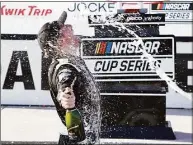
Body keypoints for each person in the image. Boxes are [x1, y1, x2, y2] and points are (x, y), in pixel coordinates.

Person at [37, 11, 101, 144]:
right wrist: (65, 94)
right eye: (65, 29)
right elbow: (64, 79)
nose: (70, 28)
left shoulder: (73, 60)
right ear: (59, 42)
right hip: (77, 140)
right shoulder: (65, 66)